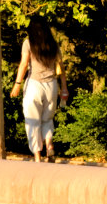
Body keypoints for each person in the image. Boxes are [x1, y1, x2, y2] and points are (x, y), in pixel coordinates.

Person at [9, 15, 67, 163]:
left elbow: (23, 64)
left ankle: (37, 157)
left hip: (34, 85)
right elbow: (61, 68)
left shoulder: (28, 43)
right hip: (51, 86)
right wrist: (64, 89)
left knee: (32, 120)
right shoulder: (53, 44)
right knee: (47, 119)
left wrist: (17, 84)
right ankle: (49, 143)